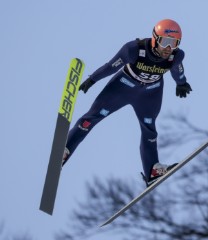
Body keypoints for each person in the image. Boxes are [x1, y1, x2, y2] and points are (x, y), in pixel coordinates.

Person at [62, 19, 192, 186]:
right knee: (91, 118)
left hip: (150, 93)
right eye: (165, 41)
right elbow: (111, 67)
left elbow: (177, 70)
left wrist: (181, 83)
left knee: (149, 130)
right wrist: (92, 79)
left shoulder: (176, 55)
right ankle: (64, 151)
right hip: (123, 87)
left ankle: (152, 170)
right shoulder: (134, 49)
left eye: (174, 43)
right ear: (155, 38)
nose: (169, 48)